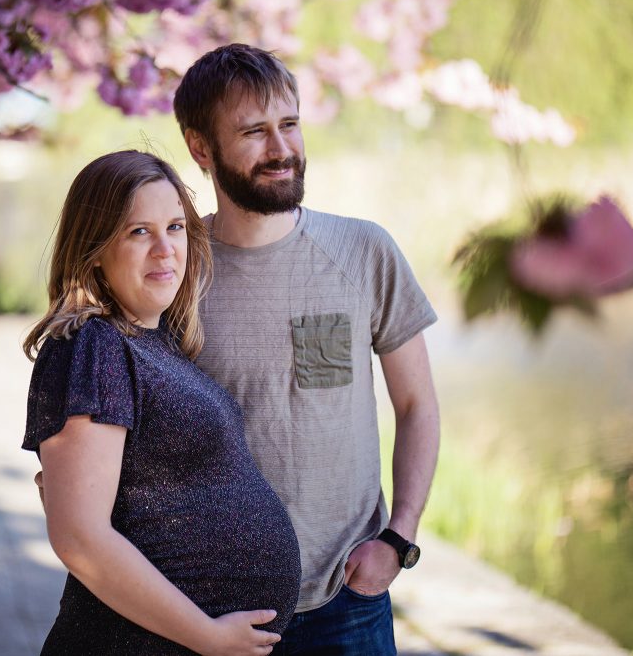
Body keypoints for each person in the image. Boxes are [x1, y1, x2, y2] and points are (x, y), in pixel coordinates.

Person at [173, 44, 442, 655]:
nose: (280, 149)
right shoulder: (176, 275)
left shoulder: (364, 252)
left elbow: (418, 404)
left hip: (347, 602)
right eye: (253, 132)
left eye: (288, 125)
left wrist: (398, 541)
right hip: (216, 611)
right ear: (201, 148)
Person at [22, 150, 301, 655]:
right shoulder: (95, 345)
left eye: (174, 227)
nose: (165, 249)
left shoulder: (155, 342)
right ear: (94, 248)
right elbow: (79, 538)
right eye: (138, 232)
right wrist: (208, 636)